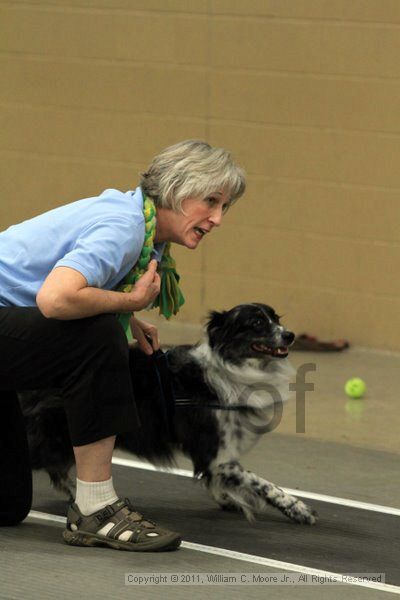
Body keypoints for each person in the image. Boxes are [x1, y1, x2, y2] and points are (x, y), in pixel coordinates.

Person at [0, 139, 246, 552]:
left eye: (225, 207)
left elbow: (56, 286)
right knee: (96, 339)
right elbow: (55, 299)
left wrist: (128, 314)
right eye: (212, 201)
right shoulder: (124, 227)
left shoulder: (137, 223)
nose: (218, 218)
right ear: (177, 188)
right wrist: (129, 302)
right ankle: (96, 509)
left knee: (6, 504)